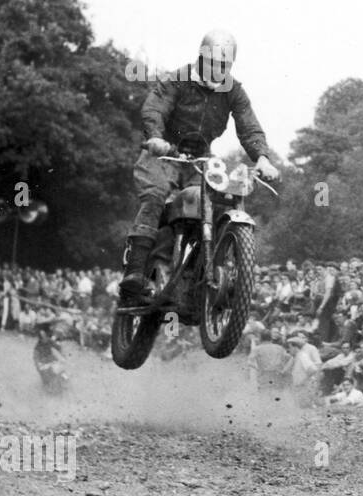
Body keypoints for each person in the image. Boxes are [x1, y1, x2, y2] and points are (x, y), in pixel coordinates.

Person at [119, 30, 280, 302]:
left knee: (212, 205)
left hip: (200, 159)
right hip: (164, 151)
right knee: (157, 195)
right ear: (201, 58)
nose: (217, 70)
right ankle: (136, 273)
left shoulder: (233, 91)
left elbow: (249, 126)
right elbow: (155, 108)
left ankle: (194, 278)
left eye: (224, 65)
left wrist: (262, 157)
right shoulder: (178, 80)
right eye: (212, 63)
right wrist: (155, 136)